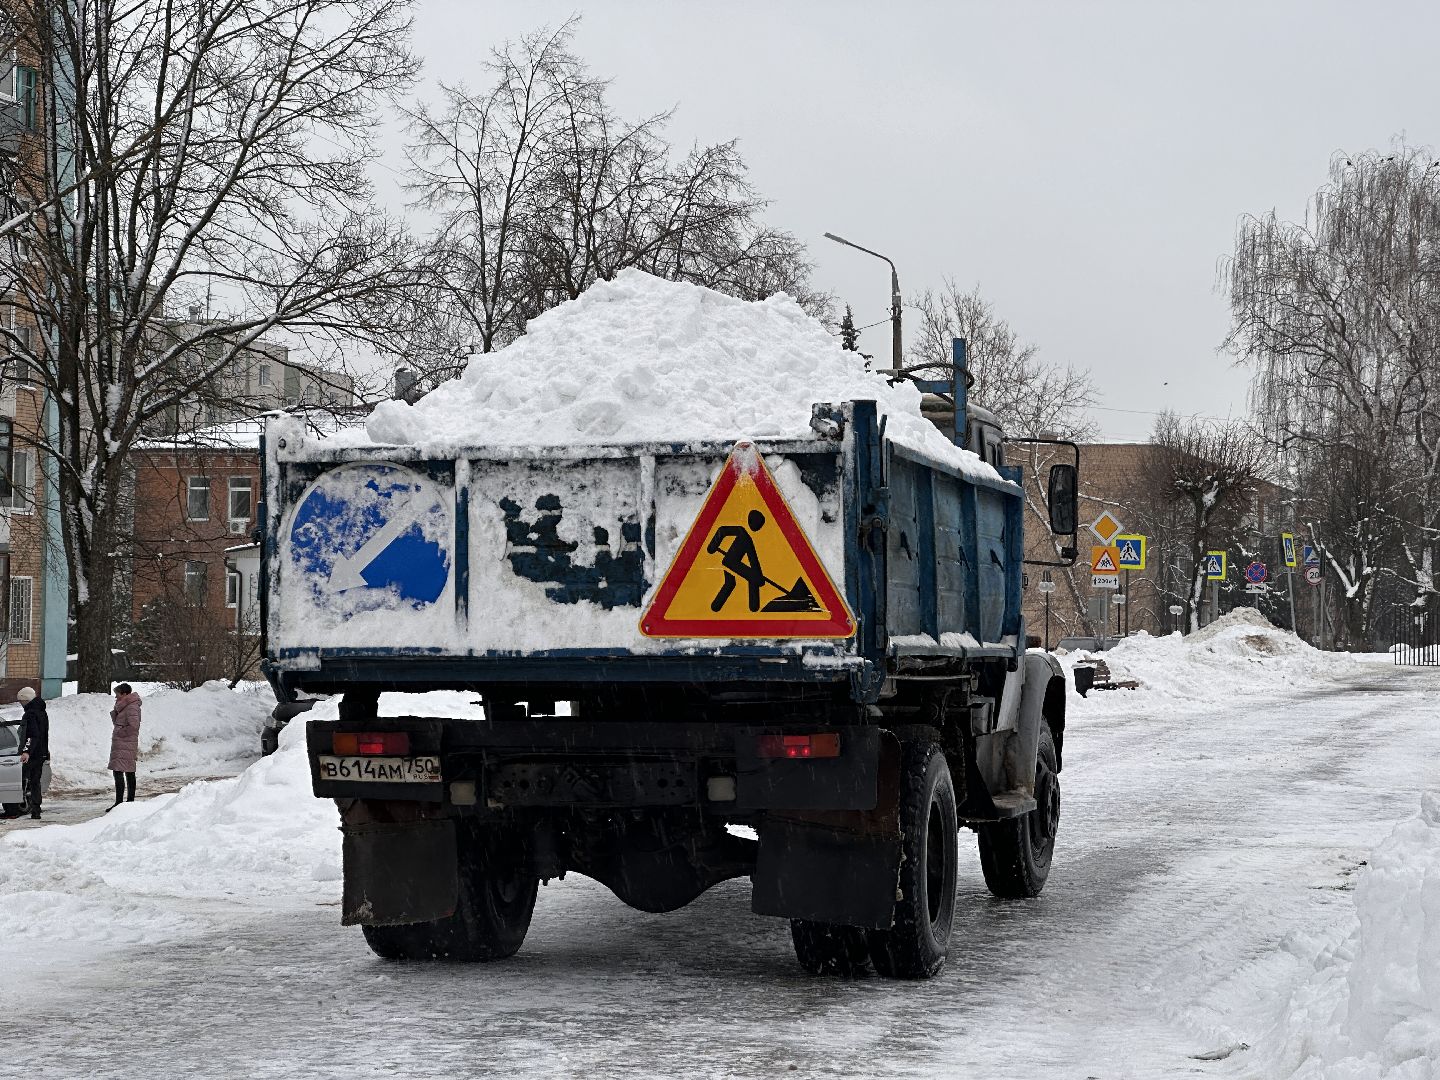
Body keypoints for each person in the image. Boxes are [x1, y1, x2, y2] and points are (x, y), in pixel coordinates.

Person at [108, 683, 142, 811]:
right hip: (123, 743)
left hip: (126, 742)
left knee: (120, 771)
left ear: (125, 694)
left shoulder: (131, 707)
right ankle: (126, 803)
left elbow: (134, 726)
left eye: (117, 694)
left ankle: (121, 803)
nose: (116, 697)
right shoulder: (125, 706)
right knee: (127, 771)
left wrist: (120, 733)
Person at [16, 686, 49, 820]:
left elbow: (32, 735)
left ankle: (18, 805)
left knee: (23, 778)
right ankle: (36, 809)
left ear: (26, 700)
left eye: (21, 701)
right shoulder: (42, 712)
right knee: (35, 781)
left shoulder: (30, 714)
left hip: (33, 754)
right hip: (41, 752)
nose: (20, 704)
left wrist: (26, 751)